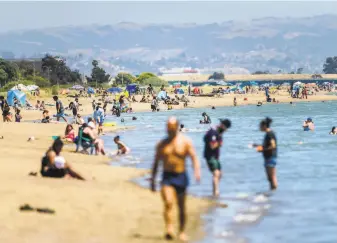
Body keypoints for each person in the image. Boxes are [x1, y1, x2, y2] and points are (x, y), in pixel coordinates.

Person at [150, 117, 201, 241]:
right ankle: (169, 228)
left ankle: (182, 232)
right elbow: (156, 163)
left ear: (176, 127)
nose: (169, 130)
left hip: (181, 175)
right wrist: (153, 179)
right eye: (168, 127)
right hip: (167, 176)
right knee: (168, 202)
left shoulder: (185, 142)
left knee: (181, 206)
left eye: (172, 127)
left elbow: (194, 157)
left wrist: (197, 171)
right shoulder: (162, 144)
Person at [203, 119, 231, 196]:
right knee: (216, 173)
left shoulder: (219, 133)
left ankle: (214, 191)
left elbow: (218, 144)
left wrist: (219, 142)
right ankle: (216, 193)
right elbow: (212, 146)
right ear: (223, 126)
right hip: (210, 156)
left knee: (220, 174)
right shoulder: (213, 132)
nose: (226, 130)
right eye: (226, 128)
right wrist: (219, 143)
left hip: (215, 157)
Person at [253, 117, 278, 190]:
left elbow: (273, 146)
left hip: (271, 157)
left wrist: (262, 150)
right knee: (269, 178)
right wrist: (257, 146)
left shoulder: (270, 134)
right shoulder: (268, 134)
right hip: (268, 158)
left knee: (272, 178)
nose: (259, 127)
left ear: (264, 126)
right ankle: (272, 194)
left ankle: (274, 195)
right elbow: (267, 146)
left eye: (260, 126)